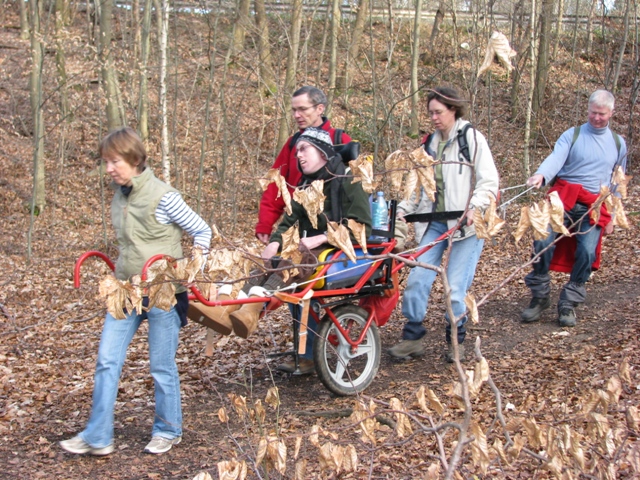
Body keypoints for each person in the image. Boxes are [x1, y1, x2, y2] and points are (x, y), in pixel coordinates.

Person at [60, 127, 212, 456]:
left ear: (134, 159)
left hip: (162, 291)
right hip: (127, 289)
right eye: (105, 162)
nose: (109, 169)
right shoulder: (121, 194)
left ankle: (168, 430)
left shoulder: (163, 195)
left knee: (161, 365)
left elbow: (201, 229)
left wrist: (193, 269)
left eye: (114, 161)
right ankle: (98, 435)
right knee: (106, 360)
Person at [233, 127, 370, 374]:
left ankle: (251, 312)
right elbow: (288, 222)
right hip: (310, 253)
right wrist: (275, 241)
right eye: (297, 152)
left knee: (292, 267)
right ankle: (233, 308)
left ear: (323, 152)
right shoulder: (306, 185)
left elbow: (362, 228)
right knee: (268, 263)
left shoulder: (350, 179)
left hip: (342, 254)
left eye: (304, 149)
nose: (299, 156)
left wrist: (321, 239)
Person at [387, 87, 499, 363]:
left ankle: (455, 340)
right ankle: (413, 338)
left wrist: (475, 207)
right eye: (431, 113)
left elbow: (489, 181)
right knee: (415, 282)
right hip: (433, 225)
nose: (434, 118)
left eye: (439, 112)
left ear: (453, 110)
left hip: (468, 228)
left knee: (455, 290)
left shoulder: (471, 139)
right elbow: (417, 189)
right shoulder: (428, 145)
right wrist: (402, 211)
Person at [520, 89, 627, 327]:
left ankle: (569, 301)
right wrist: (541, 175)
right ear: (587, 109)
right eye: (593, 112)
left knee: (587, 253)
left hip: (594, 206)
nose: (596, 118)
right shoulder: (573, 135)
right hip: (562, 200)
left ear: (611, 112)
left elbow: (618, 182)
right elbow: (556, 158)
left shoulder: (618, 144)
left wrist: (613, 217)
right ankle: (539, 296)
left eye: (601, 114)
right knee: (542, 241)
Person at [255, 86, 351, 244]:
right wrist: (265, 223)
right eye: (294, 110)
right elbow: (276, 185)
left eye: (302, 109)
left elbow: (359, 186)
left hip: (332, 229)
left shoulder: (341, 140)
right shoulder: (293, 143)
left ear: (320, 108)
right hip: (298, 226)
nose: (297, 115)